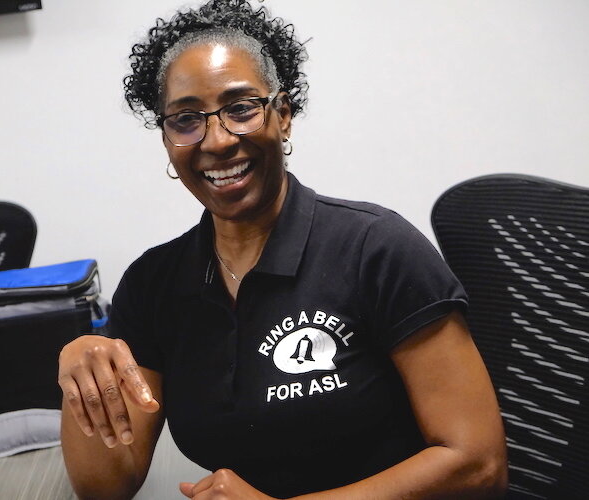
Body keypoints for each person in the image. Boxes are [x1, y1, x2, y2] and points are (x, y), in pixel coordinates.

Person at [59, 1, 508, 498]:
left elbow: (477, 464)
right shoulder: (154, 284)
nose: (218, 139)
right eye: (186, 119)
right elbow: (107, 485)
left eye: (241, 109)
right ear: (167, 140)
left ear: (284, 115)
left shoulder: (377, 249)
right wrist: (79, 371)